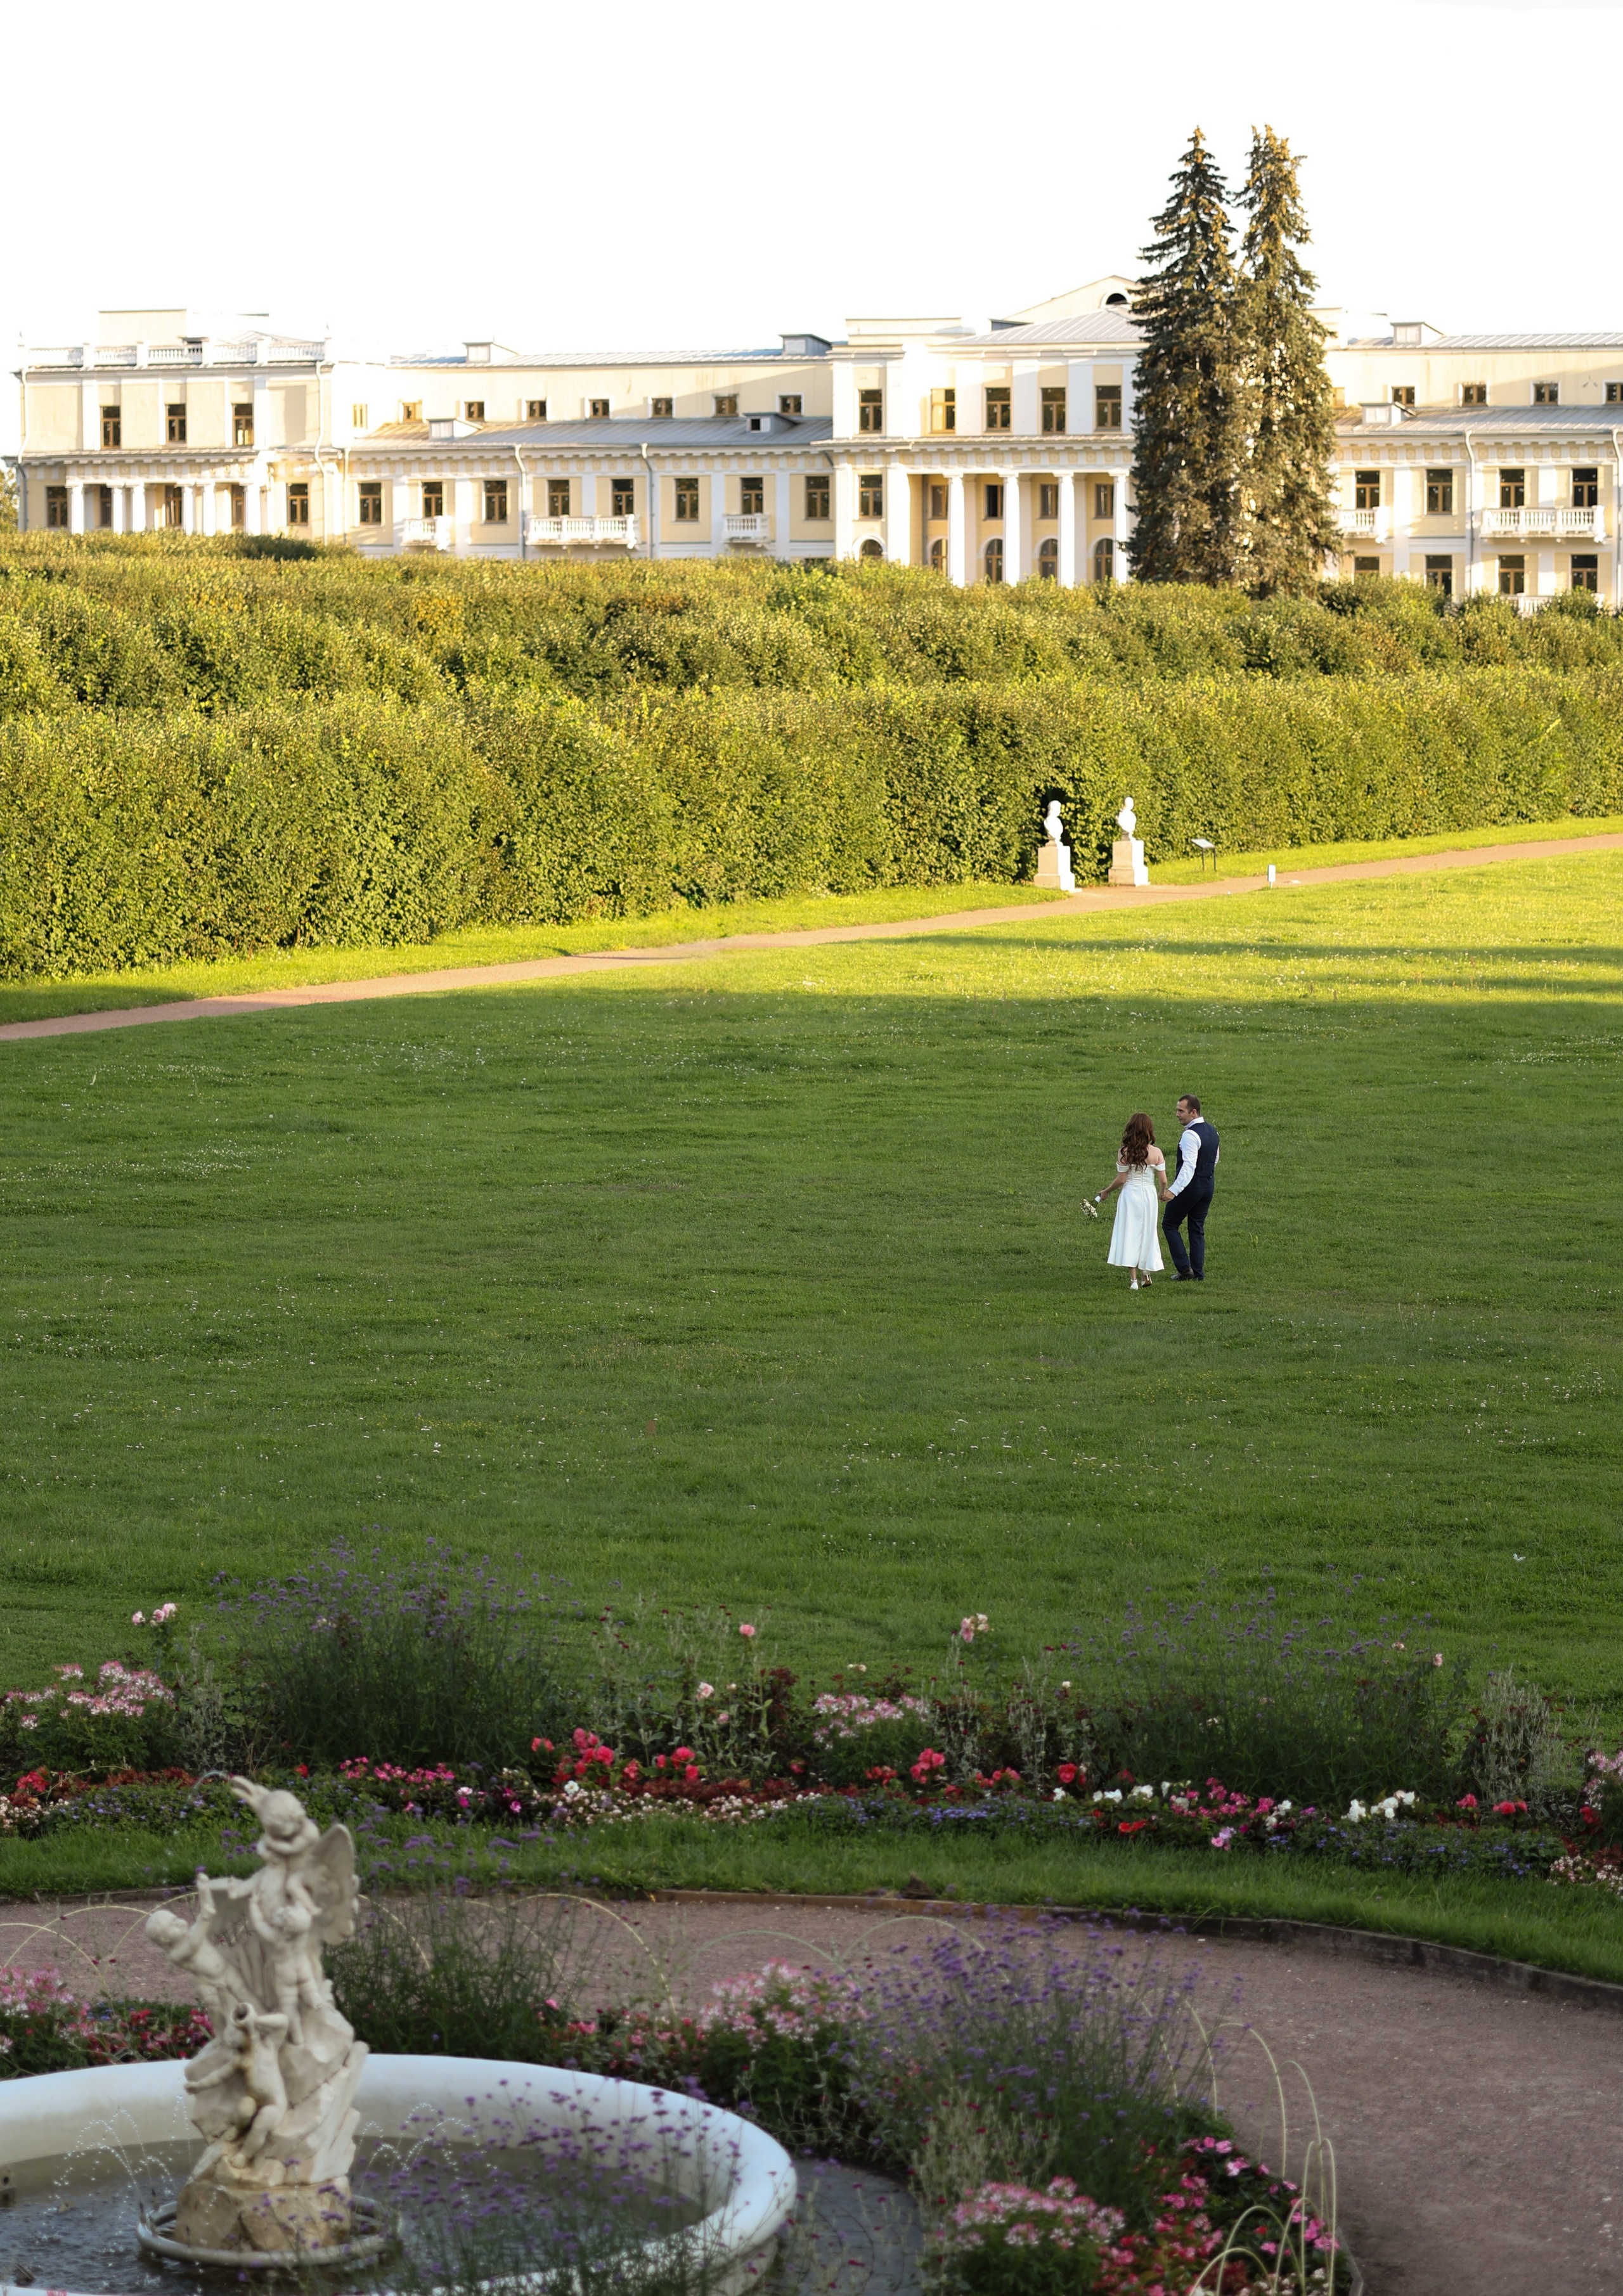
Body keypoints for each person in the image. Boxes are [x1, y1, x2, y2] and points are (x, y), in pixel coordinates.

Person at [1092, 1113, 1168, 1291]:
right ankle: (1145, 1273)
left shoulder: (1124, 1152)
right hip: (1148, 1195)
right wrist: (1162, 1193)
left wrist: (1106, 1192)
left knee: (1130, 1233)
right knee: (1147, 1232)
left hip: (1130, 1196)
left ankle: (1134, 1280)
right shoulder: (1156, 1153)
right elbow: (1163, 1180)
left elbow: (1121, 1180)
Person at [1163, 1093, 1220, 1281]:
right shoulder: (1213, 1131)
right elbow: (1215, 1159)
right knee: (1197, 1228)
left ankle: (1185, 1269)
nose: (1177, 1114)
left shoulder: (1190, 1135)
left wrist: (1173, 1190)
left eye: (1181, 1111)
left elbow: (1188, 1167)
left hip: (1191, 1187)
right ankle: (1198, 1273)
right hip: (1208, 1185)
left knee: (1170, 1224)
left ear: (1193, 1112)